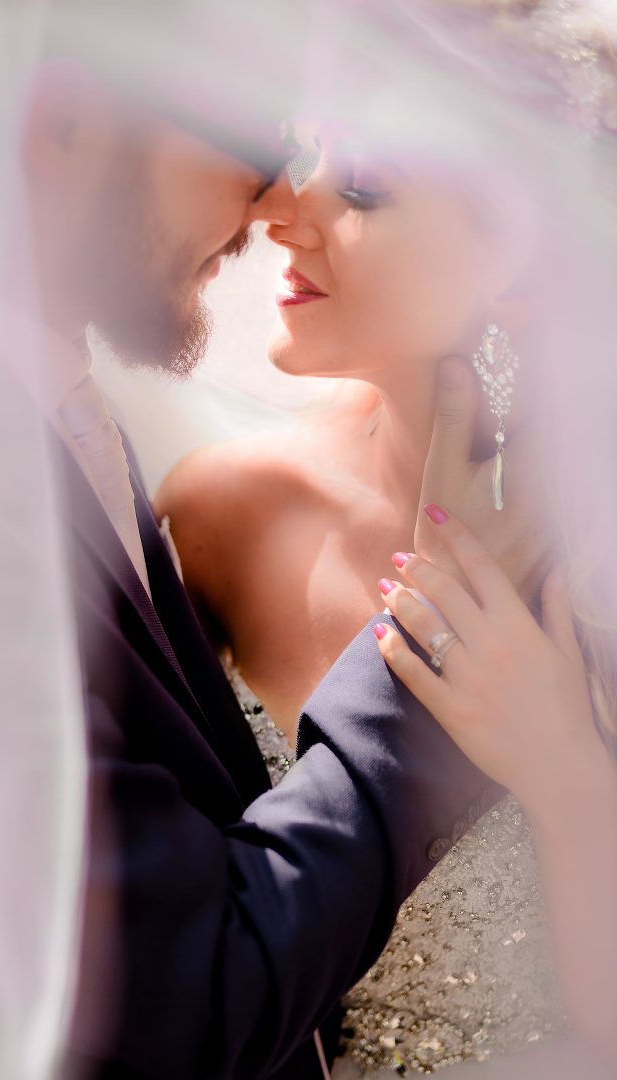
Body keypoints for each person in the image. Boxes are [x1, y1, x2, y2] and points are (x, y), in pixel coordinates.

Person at [0, 2, 534, 1077]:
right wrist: (433, 642)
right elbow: (179, 1001)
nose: (271, 196)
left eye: (356, 170)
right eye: (252, 134)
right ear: (64, 125)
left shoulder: (55, 418)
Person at [157, 2, 617, 1074]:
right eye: (306, 155)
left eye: (361, 184)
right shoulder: (222, 516)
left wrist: (567, 775)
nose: (280, 207)